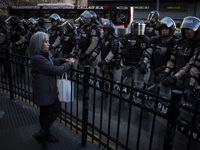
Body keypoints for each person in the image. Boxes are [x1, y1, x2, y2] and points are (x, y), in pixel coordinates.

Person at [27, 32, 76, 147]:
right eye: (46, 42)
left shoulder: (43, 55)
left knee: (55, 110)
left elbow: (52, 62)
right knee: (45, 113)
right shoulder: (37, 58)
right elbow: (55, 70)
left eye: (48, 41)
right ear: (38, 43)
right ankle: (44, 134)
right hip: (44, 90)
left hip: (49, 89)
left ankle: (43, 132)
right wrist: (68, 64)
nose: (49, 44)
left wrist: (64, 60)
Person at [158, 16, 200, 90]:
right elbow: (172, 60)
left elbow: (192, 64)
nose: (189, 32)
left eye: (192, 29)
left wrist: (174, 77)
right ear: (183, 30)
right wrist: (165, 73)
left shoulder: (197, 45)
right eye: (187, 29)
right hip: (176, 80)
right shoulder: (179, 43)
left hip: (190, 83)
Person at [139, 17, 177, 85]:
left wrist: (164, 70)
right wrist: (143, 64)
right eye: (162, 28)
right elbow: (148, 53)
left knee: (163, 93)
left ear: (171, 29)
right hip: (153, 71)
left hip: (166, 74)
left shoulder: (174, 43)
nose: (164, 30)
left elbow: (173, 60)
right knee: (150, 90)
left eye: (166, 28)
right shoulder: (155, 40)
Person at [117, 19, 149, 87]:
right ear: (132, 28)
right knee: (125, 84)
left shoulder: (144, 39)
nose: (138, 30)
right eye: (136, 28)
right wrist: (118, 61)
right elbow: (120, 49)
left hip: (137, 67)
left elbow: (145, 54)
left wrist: (139, 66)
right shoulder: (126, 37)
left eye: (140, 28)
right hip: (126, 65)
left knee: (137, 86)